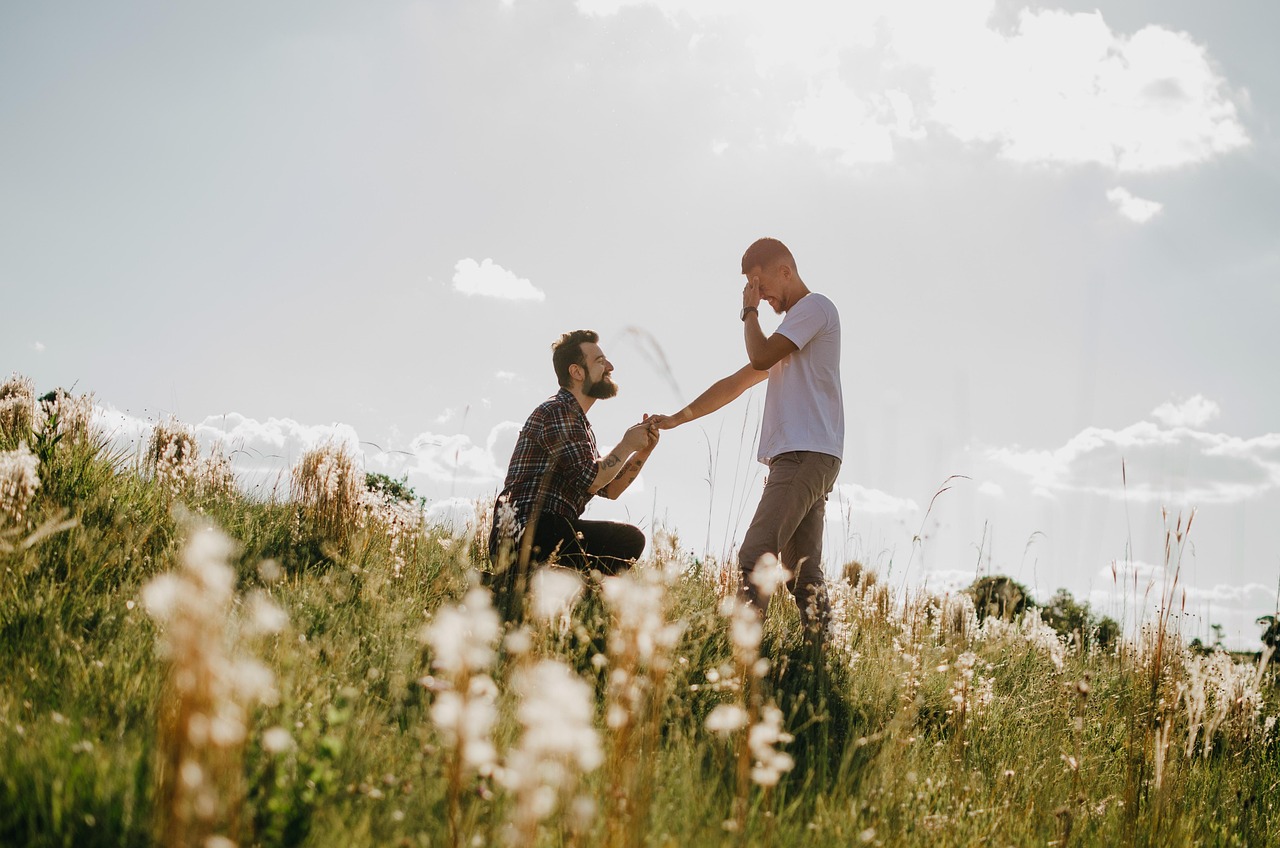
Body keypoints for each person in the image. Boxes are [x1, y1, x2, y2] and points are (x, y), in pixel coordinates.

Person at [651, 238, 843, 637]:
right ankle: (820, 664)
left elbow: (758, 358)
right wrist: (677, 419)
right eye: (751, 288)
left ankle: (742, 655)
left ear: (785, 271)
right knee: (802, 571)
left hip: (802, 454)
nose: (758, 294)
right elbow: (735, 383)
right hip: (810, 456)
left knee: (756, 553)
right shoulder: (790, 334)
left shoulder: (814, 308)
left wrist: (748, 312)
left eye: (760, 283)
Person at [489, 329, 658, 608]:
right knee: (627, 541)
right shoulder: (557, 411)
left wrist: (644, 450)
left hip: (551, 531)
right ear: (577, 372)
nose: (610, 367)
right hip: (527, 530)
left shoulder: (579, 424)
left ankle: (575, 596)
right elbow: (593, 479)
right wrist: (627, 444)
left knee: (625, 544)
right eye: (601, 361)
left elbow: (611, 488)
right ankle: (562, 591)